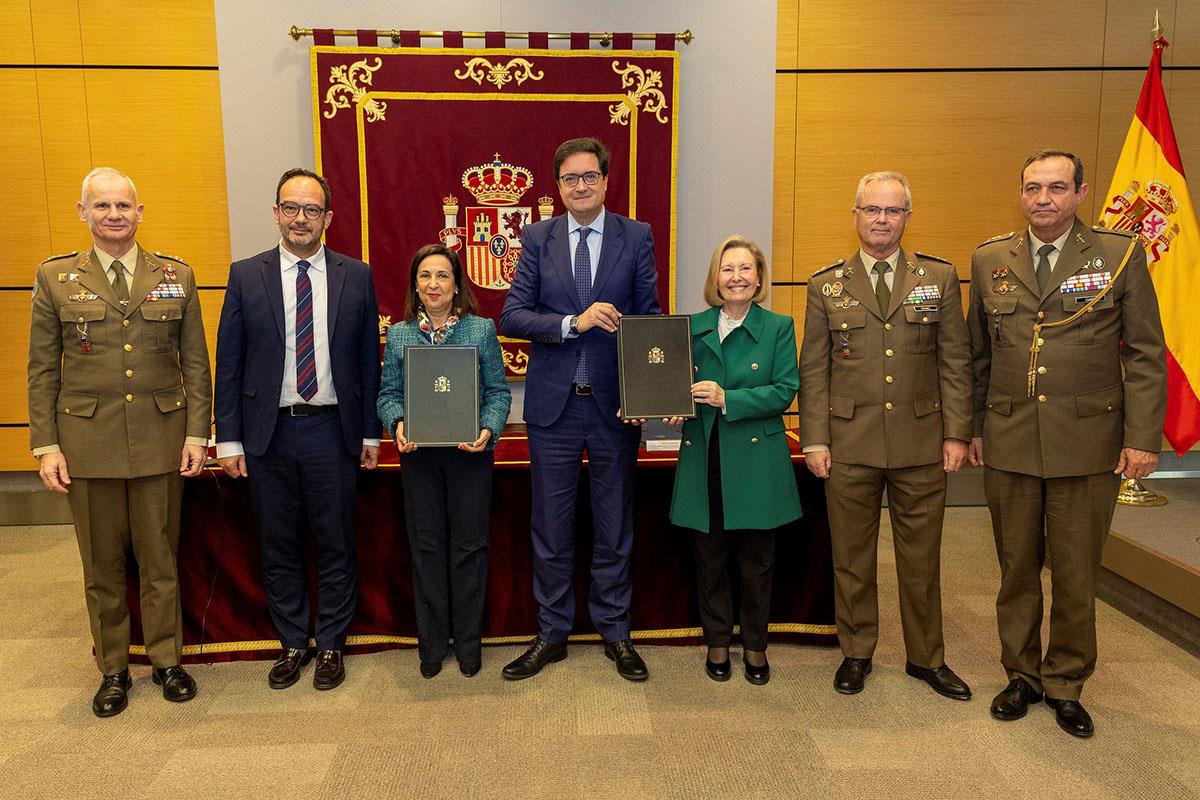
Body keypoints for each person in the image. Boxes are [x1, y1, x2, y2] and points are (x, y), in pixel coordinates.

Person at [967, 150, 1166, 738]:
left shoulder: (1118, 253)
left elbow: (1147, 353)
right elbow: (979, 355)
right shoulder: (988, 259)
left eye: (1057, 188)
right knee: (1015, 568)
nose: (1043, 199)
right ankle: (1022, 673)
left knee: (1077, 571)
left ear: (1081, 193)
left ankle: (1067, 681)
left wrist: (1142, 439)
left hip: (1089, 440)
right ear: (1020, 193)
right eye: (1032, 188)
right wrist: (974, 427)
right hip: (1009, 437)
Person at [27, 167, 211, 717]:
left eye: (124, 206)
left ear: (140, 212)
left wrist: (198, 432)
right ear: (83, 212)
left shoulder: (174, 274)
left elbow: (196, 363)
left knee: (160, 561)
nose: (114, 215)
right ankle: (112, 669)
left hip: (161, 437)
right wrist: (46, 445)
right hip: (88, 442)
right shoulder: (55, 278)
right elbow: (42, 369)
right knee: (101, 566)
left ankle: (166, 661)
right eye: (102, 206)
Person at [799, 171, 973, 700]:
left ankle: (926, 658)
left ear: (906, 218)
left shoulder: (938, 278)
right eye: (872, 210)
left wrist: (958, 432)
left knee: (922, 558)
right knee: (852, 556)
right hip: (850, 443)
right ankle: (857, 651)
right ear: (854, 216)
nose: (881, 219)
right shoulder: (825, 284)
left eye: (892, 211)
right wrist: (815, 439)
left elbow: (955, 360)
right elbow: (815, 369)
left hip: (922, 440)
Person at [498, 137, 660, 681]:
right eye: (570, 179)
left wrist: (645, 393)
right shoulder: (536, 237)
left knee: (614, 527)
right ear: (558, 186)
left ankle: (616, 633)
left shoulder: (634, 236)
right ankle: (552, 633)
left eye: (589, 176)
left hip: (615, 409)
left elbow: (647, 321)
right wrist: (573, 323)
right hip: (554, 410)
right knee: (551, 527)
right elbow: (513, 317)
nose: (581, 186)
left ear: (605, 181)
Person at [214, 167, 381, 691]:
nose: (301, 218)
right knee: (278, 543)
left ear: (328, 218)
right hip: (269, 435)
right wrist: (229, 438)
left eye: (312, 210)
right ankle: (292, 643)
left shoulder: (357, 275)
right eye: (291, 208)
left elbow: (368, 362)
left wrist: (371, 433)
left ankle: (330, 644)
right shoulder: (246, 275)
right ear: (276, 214)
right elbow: (230, 363)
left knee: (336, 542)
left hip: (333, 431)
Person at [669, 235, 801, 685]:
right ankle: (718, 642)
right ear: (715, 278)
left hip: (756, 459)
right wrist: (670, 403)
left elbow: (785, 390)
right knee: (710, 558)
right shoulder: (691, 326)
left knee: (757, 561)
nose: (737, 277)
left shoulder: (779, 327)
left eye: (746, 269)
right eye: (728, 269)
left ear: (759, 278)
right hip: (706, 453)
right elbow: (671, 382)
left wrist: (729, 398)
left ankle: (757, 646)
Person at [376, 244, 512, 679]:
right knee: (427, 549)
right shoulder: (398, 335)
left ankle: (469, 645)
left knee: (470, 549)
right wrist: (396, 423)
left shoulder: (480, 330)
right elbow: (388, 395)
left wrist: (488, 430)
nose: (433, 284)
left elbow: (498, 393)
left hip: (468, 457)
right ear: (415, 286)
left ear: (456, 286)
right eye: (425, 277)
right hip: (419, 459)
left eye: (442, 277)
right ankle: (433, 645)